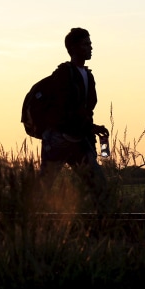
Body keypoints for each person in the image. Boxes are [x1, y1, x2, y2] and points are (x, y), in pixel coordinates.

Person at [38, 28, 109, 210]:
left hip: (79, 138)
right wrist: (89, 127)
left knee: (98, 184)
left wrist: (90, 128)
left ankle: (100, 223)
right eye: (86, 44)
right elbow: (65, 109)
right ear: (73, 48)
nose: (90, 47)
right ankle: (31, 218)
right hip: (58, 139)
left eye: (90, 43)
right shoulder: (64, 74)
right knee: (45, 185)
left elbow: (85, 109)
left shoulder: (88, 75)